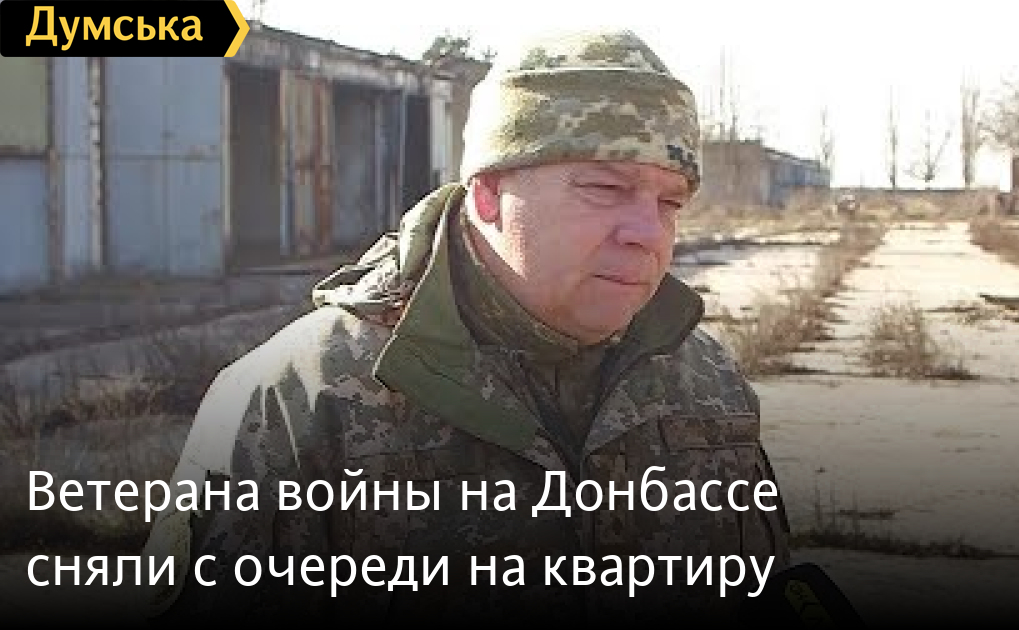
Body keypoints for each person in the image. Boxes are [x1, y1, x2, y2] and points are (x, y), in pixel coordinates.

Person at [140, 28, 790, 625]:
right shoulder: (297, 403)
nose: (648, 232)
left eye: (670, 201)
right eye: (605, 188)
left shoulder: (707, 383)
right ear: (488, 195)